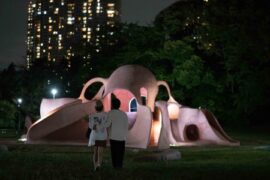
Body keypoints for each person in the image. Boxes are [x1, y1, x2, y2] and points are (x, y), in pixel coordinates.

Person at [88, 100, 111, 171]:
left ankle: (95, 166)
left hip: (94, 136)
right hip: (102, 136)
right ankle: (99, 165)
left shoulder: (91, 116)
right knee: (100, 152)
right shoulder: (106, 115)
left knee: (95, 152)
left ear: (95, 108)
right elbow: (108, 125)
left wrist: (96, 126)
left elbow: (91, 126)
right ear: (102, 107)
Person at [108, 98, 129, 169]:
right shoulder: (124, 114)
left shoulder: (110, 113)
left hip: (113, 136)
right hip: (122, 137)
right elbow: (126, 126)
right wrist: (125, 136)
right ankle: (119, 165)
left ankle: (115, 166)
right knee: (120, 152)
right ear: (119, 105)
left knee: (114, 152)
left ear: (112, 105)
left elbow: (107, 124)